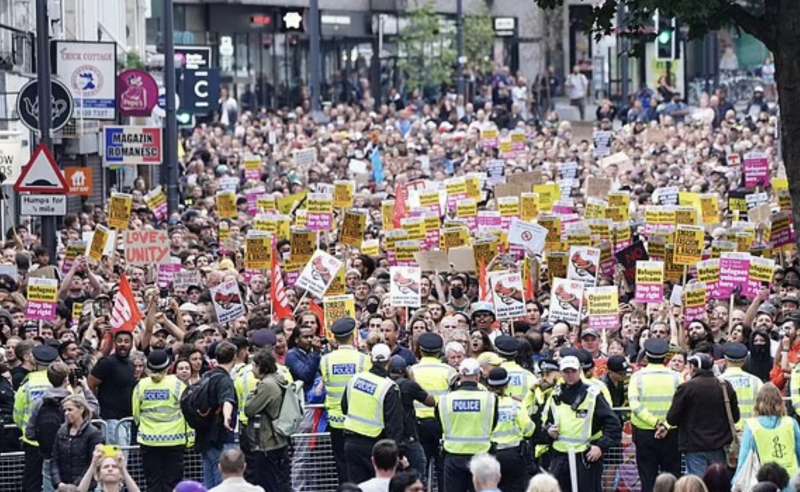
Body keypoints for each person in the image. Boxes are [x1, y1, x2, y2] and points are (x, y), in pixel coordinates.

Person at [541, 355, 621, 492]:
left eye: (573, 371)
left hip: (584, 458)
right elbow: (545, 422)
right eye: (566, 372)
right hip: (560, 457)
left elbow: (613, 424)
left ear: (579, 371)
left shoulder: (592, 394)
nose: (570, 375)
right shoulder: (555, 394)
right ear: (561, 373)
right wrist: (549, 431)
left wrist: (600, 447)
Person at [26, 361, 99, 492]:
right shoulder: (75, 402)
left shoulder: (40, 403)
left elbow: (29, 432)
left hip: (49, 458)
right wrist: (86, 389)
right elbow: (94, 410)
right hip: (77, 459)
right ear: (66, 379)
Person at [666, 352, 739, 476]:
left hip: (694, 446)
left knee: (698, 483)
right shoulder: (725, 386)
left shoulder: (686, 388)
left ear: (693, 367)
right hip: (720, 446)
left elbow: (672, 419)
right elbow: (735, 417)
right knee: (718, 482)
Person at [341, 343, 403, 484]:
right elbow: (394, 425)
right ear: (389, 361)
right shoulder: (389, 387)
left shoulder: (355, 379)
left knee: (357, 487)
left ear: (371, 359)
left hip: (351, 442)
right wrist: (397, 452)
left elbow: (344, 407)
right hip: (375, 446)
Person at [320, 317, 371, 482]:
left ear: (334, 337)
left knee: (341, 465)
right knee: (360, 467)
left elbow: (325, 383)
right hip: (358, 421)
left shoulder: (326, 360)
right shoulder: (364, 359)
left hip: (335, 420)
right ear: (353, 335)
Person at [628, 339, 682, 492]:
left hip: (644, 433)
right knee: (672, 479)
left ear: (646, 356)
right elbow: (680, 406)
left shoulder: (637, 377)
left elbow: (635, 406)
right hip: (671, 433)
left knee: (647, 479)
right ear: (666, 357)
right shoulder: (677, 377)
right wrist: (665, 425)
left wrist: (655, 423)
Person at [437, 358, 498, 492]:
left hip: (453, 455)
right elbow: (493, 423)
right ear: (478, 376)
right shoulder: (490, 399)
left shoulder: (445, 400)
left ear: (460, 376)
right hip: (481, 456)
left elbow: (439, 424)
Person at [131, 349, 188, 492]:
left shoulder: (141, 385)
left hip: (148, 441)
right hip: (175, 440)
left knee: (153, 483)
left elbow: (136, 413)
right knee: (173, 484)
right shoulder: (177, 384)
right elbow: (187, 410)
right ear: (168, 366)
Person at [408, 332, 455, 482]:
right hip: (441, 425)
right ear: (440, 350)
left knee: (421, 468)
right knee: (443, 471)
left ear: (420, 350)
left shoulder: (412, 371)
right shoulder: (449, 371)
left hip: (418, 425)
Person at [733, 383, 800, 488]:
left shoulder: (752, 426)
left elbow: (744, 460)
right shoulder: (791, 423)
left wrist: (735, 484)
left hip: (765, 480)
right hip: (792, 480)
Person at [243, 348, 291, 492]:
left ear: (261, 366)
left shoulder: (266, 385)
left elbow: (249, 409)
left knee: (268, 483)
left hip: (267, 441)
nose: (251, 369)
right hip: (278, 439)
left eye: (253, 365)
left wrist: (252, 395)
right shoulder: (278, 379)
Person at [13, 343, 58, 491]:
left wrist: (24, 428)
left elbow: (18, 410)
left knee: (32, 481)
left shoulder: (27, 382)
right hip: (56, 438)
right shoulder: (60, 380)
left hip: (32, 441)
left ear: (35, 360)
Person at [197, 341, 239, 488]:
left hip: (205, 436)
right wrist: (227, 418)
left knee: (209, 481)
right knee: (222, 483)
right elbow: (227, 400)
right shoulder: (224, 380)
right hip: (219, 437)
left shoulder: (207, 375)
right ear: (234, 357)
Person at [487, 367, 535, 492]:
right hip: (513, 455)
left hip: (489, 454)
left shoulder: (485, 404)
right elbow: (529, 429)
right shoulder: (516, 404)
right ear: (507, 384)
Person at [387, 355, 433, 479]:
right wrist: (413, 379)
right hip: (409, 436)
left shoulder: (384, 384)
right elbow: (430, 401)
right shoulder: (408, 385)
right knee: (418, 472)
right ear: (404, 370)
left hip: (389, 437)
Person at [88, 330, 136, 446]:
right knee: (114, 457)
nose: (123, 344)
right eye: (119, 341)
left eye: (126, 341)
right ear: (114, 343)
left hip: (127, 419)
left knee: (123, 458)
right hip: (111, 420)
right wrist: (98, 403)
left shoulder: (130, 364)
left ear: (131, 344)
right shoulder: (107, 363)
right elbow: (91, 384)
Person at [51, 394, 104, 489]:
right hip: (63, 487)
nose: (66, 413)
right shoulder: (61, 431)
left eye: (70, 410)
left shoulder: (93, 433)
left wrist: (76, 486)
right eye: (65, 410)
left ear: (81, 409)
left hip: (85, 487)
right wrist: (58, 483)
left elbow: (93, 463)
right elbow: (54, 459)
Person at [719, 342, 763, 431]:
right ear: (744, 360)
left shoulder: (718, 382)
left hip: (728, 432)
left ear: (725, 359)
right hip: (752, 430)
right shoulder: (756, 381)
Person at [495, 335, 537, 411]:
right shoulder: (529, 376)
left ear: (496, 352)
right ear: (515, 354)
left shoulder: (492, 374)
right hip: (523, 416)